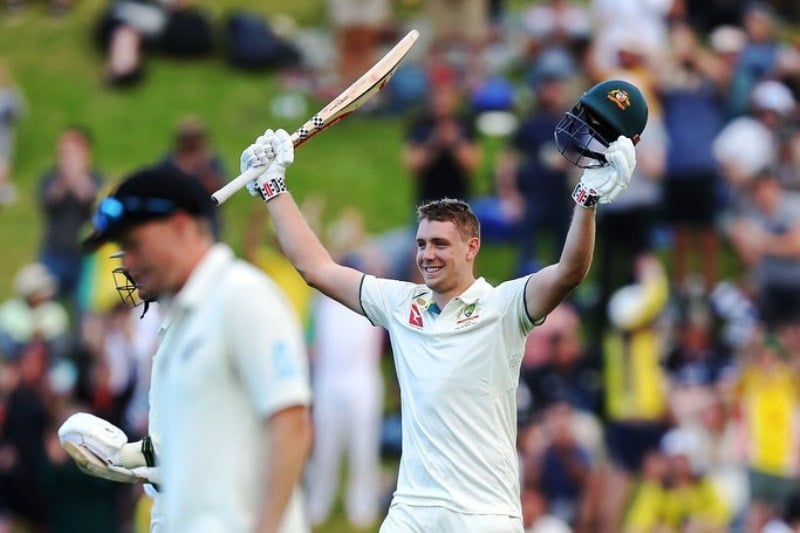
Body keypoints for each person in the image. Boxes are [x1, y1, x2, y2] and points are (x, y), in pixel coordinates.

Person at [241, 78, 646, 532]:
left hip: (484, 514)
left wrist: (587, 200)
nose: (426, 255)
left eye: (439, 244)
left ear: (472, 247)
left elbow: (569, 271)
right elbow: (317, 268)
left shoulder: (504, 305)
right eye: (421, 244)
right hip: (413, 510)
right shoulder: (400, 303)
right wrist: (274, 188)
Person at [57, 165, 313, 532]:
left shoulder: (242, 298)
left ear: (180, 227)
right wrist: (127, 458)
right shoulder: (177, 325)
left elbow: (291, 426)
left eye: (134, 244)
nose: (128, 263)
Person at [37, 126, 105, 301]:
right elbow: (49, 201)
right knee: (46, 303)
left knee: (83, 306)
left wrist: (78, 178)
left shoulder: (97, 178)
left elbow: (94, 201)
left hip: (85, 255)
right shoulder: (51, 177)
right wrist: (66, 179)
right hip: (54, 251)